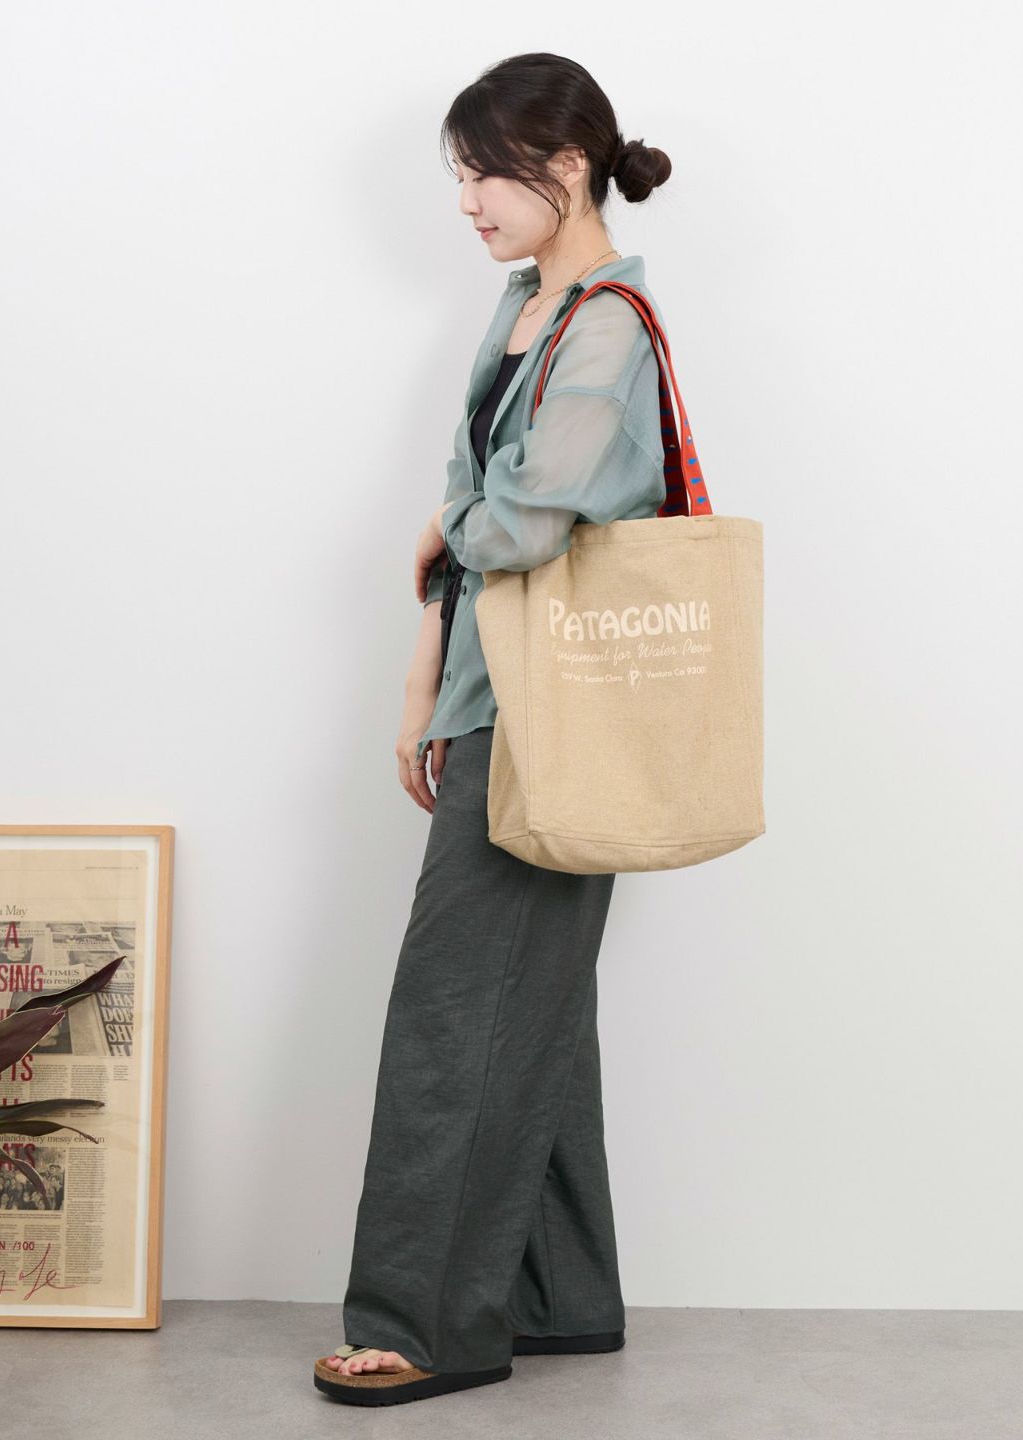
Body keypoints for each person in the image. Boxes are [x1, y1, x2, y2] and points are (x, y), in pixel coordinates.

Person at [314, 50, 674, 1407]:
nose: (466, 201)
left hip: (554, 719)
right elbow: (485, 517)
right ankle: (554, 1296)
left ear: (567, 167)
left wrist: (447, 525)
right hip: (501, 699)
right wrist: (427, 679)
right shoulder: (529, 306)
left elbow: (521, 520)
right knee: (531, 1007)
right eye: (458, 176)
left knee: (456, 1013)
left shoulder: (610, 324)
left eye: (485, 174)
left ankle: (427, 1322)